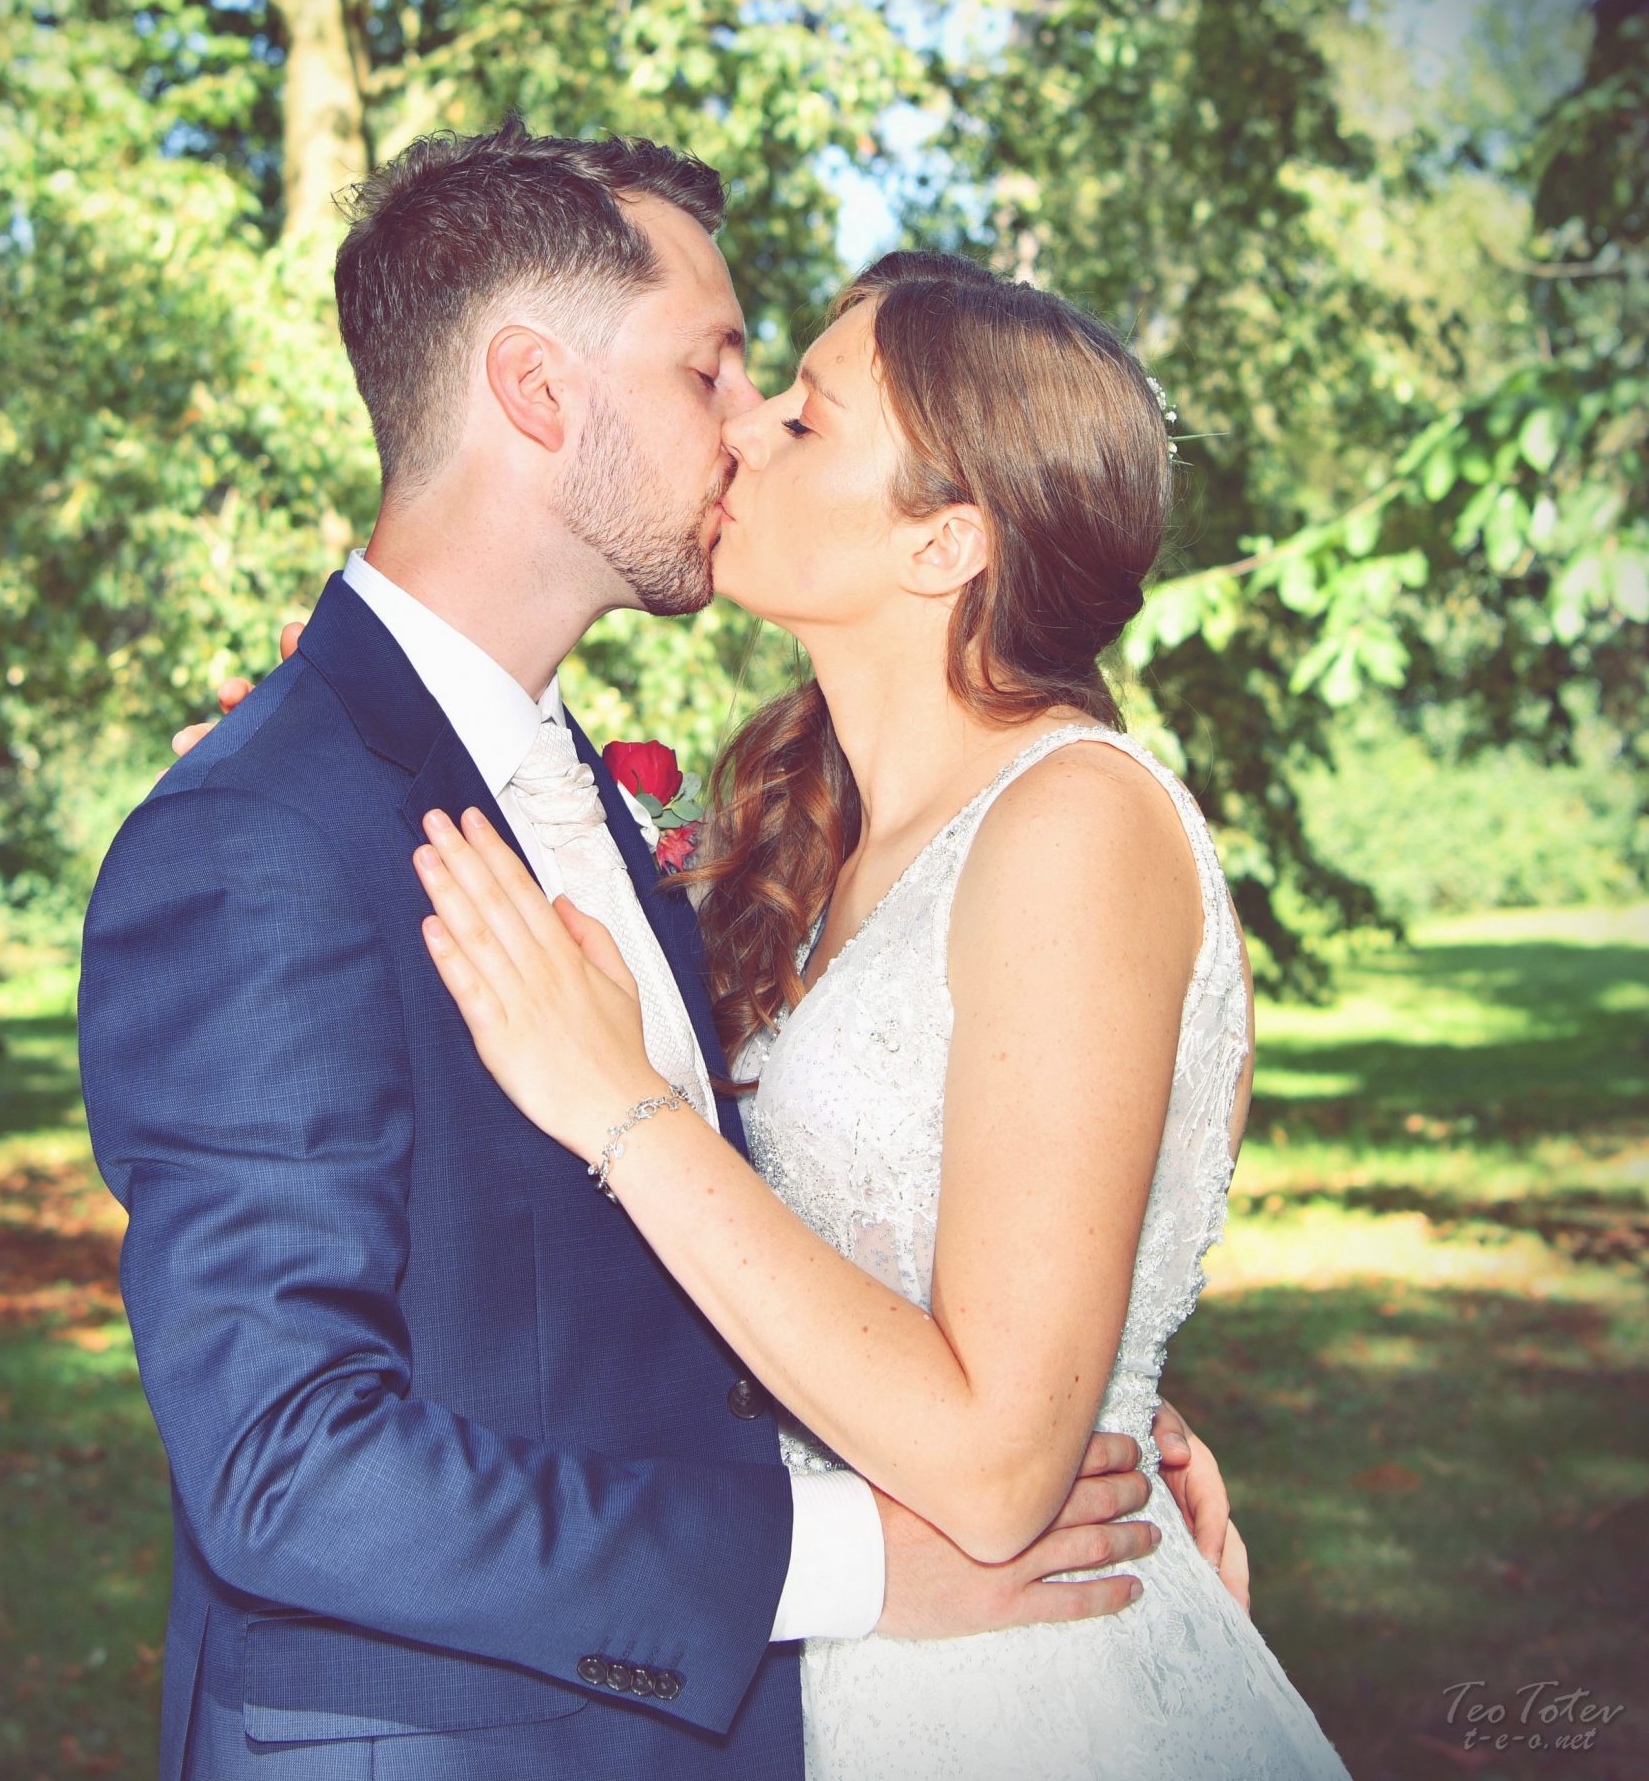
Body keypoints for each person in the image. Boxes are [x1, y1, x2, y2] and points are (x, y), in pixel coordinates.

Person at [98, 117, 1240, 1781]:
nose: (745, 424)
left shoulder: (646, 807)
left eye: (786, 402)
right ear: (539, 393)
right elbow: (280, 1461)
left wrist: (1086, 1382)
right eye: (712, 369)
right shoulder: (261, 833)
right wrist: (855, 1554)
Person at [403, 248, 1354, 1777]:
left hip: (1023, 1692)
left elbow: (992, 1467)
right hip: (837, 1651)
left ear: (945, 542)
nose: (739, 427)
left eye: (804, 418)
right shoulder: (818, 844)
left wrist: (623, 1107)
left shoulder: (1073, 824)